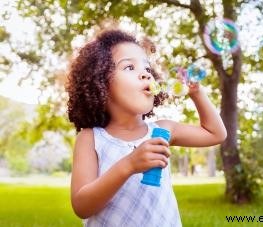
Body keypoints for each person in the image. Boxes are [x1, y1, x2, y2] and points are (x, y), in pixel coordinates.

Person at [67, 29, 227, 227]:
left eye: (147, 69)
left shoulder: (163, 129)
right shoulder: (90, 138)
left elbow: (216, 134)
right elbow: (81, 206)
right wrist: (129, 165)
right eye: (129, 67)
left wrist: (196, 94)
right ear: (100, 83)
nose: (145, 74)